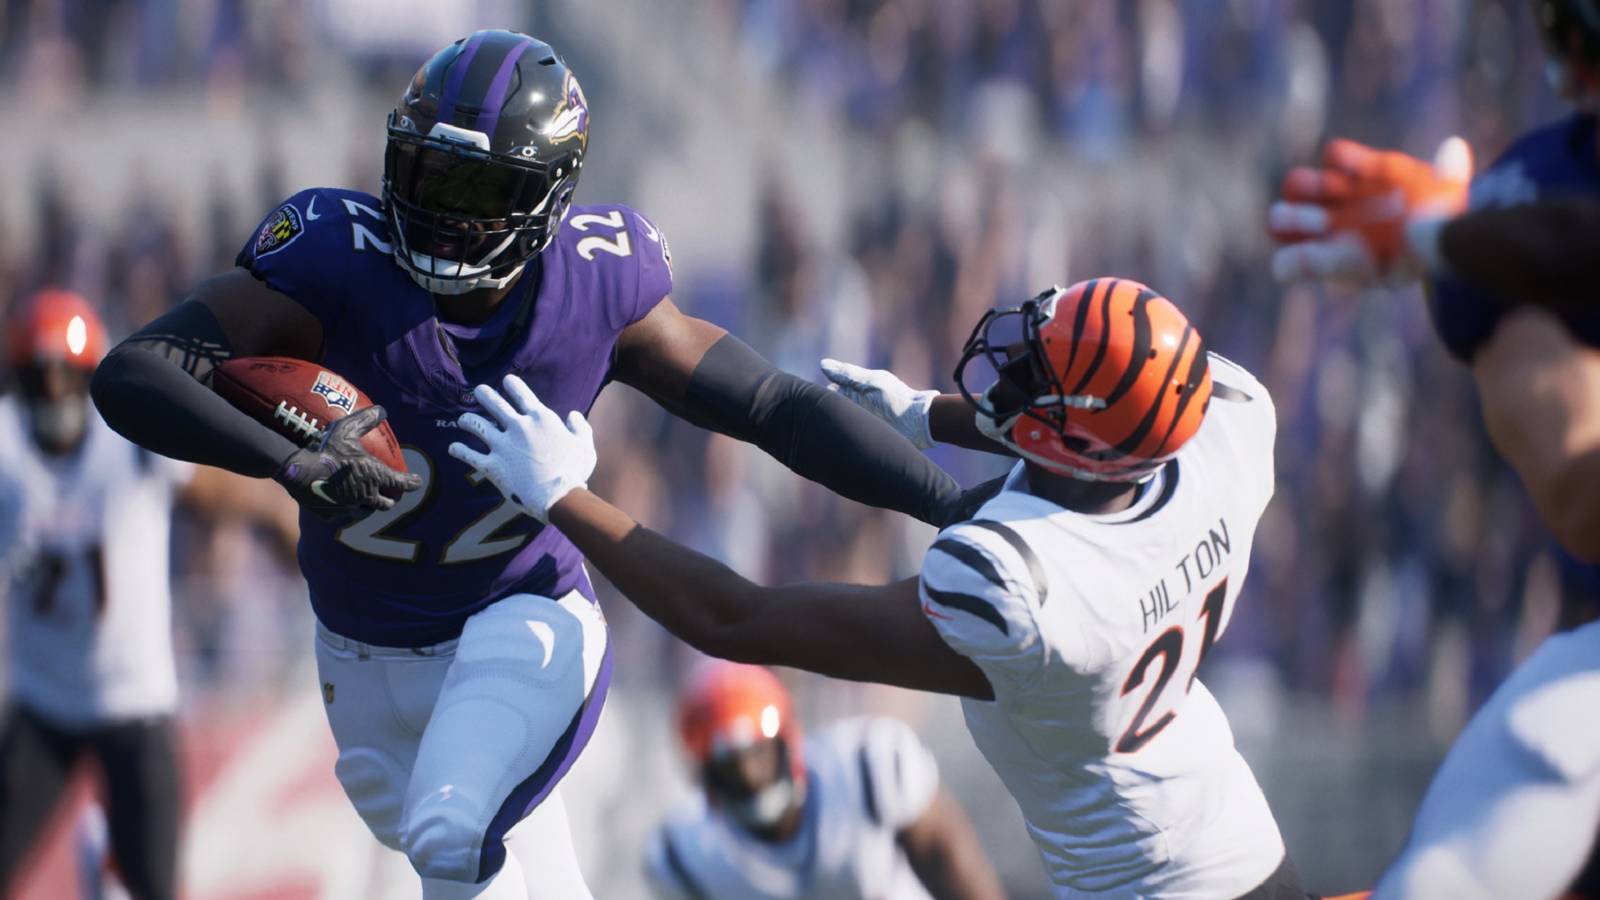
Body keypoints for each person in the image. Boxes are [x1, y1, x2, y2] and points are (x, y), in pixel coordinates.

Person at [88, 30, 980, 900]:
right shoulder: (334, 261)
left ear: (548, 197)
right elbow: (133, 370)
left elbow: (773, 406)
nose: (443, 209)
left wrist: (951, 504)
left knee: (450, 832)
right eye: (428, 172)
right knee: (491, 868)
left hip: (521, 622)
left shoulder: (594, 285)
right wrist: (294, 459)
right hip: (358, 656)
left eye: (478, 187)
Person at [448, 278, 1331, 898]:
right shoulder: (1228, 431)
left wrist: (565, 497)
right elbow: (1109, 422)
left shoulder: (1022, 586)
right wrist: (930, 415)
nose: (1013, 372)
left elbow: (738, 620)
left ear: (1081, 444)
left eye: (1037, 379)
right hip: (1245, 840)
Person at [1267, 2, 1600, 895]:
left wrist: (1452, 235)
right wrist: (1468, 241)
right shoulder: (1535, 198)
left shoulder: (1507, 225)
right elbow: (1582, 496)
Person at [0, 291, 290, 900]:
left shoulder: (126, 436)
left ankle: (107, 863)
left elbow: (218, 490)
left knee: (158, 887)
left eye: (64, 376)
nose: (53, 393)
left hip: (135, 699)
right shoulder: (6, 448)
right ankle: (101, 860)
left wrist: (284, 524)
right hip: (44, 699)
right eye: (39, 378)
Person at [643, 661, 1004, 900]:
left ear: (788, 740)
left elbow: (950, 862)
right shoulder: (685, 858)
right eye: (729, 768)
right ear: (703, 777)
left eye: (758, 754)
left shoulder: (867, 768)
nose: (750, 777)